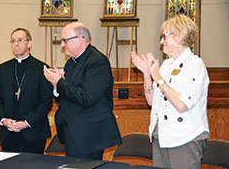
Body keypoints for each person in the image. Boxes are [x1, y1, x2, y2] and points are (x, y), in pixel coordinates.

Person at [131, 14, 209, 168]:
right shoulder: (166, 65)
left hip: (184, 138)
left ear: (179, 37)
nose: (161, 42)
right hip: (162, 136)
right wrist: (147, 74)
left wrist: (158, 78)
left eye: (165, 37)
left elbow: (182, 105)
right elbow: (151, 101)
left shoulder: (194, 65)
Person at [43, 22, 122, 160]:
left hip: (89, 134)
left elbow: (87, 98)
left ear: (80, 38)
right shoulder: (70, 63)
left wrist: (59, 82)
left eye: (65, 41)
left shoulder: (97, 62)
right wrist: (56, 87)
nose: (62, 45)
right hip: (72, 130)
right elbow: (67, 98)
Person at [0, 28, 53, 154]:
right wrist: (3, 119)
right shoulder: (4, 68)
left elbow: (46, 102)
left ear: (29, 43)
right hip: (8, 133)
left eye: (20, 40)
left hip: (33, 133)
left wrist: (26, 122)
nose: (16, 44)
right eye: (13, 41)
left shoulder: (41, 68)